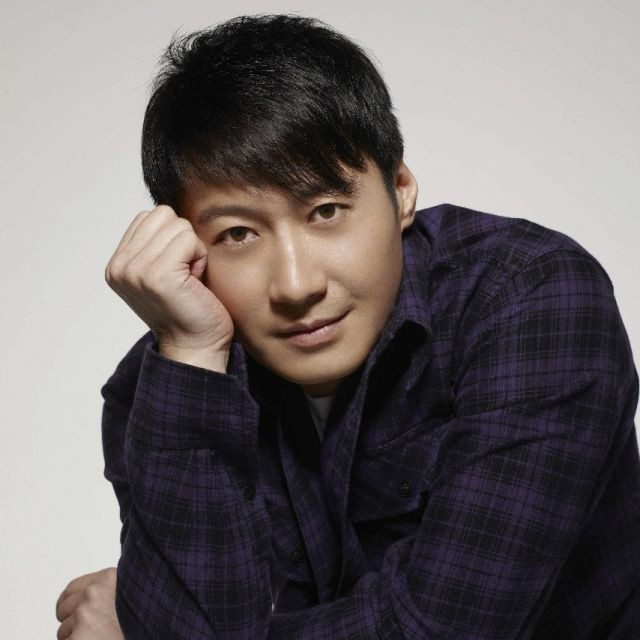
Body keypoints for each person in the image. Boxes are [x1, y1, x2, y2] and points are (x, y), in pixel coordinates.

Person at [55, 13, 639, 639]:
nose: (296, 284)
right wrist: (191, 353)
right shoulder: (164, 387)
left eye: (326, 211)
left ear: (401, 190)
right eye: (238, 234)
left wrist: (141, 630)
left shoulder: (530, 294)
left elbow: (442, 630)